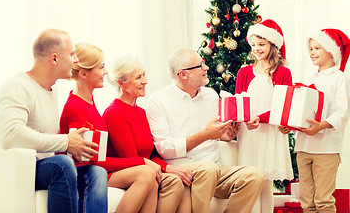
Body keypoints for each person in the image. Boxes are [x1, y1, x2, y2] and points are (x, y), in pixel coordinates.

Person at [0, 29, 108, 213]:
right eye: (71, 54)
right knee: (62, 165)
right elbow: (9, 134)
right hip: (21, 169)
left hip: (45, 166)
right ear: (54, 59)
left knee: (96, 173)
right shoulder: (18, 87)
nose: (76, 60)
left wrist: (73, 146)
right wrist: (65, 142)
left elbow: (48, 141)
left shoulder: (52, 92)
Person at [146, 48, 265, 213]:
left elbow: (217, 133)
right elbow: (164, 148)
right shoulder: (158, 101)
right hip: (186, 170)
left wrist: (227, 134)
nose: (206, 68)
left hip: (216, 171)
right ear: (183, 75)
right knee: (207, 169)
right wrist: (204, 136)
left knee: (255, 175)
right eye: (200, 65)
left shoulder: (211, 96)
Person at [59, 43, 158, 213]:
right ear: (83, 74)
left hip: (95, 168)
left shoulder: (88, 101)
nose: (106, 72)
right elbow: (94, 161)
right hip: (85, 173)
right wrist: (143, 161)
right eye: (101, 67)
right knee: (145, 173)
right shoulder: (76, 107)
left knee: (150, 176)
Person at [103, 55, 195, 213]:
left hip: (144, 169)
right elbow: (131, 158)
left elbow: (151, 153)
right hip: (122, 172)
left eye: (144, 74)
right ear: (121, 84)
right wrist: (163, 168)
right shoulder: (114, 113)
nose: (145, 81)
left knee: (177, 180)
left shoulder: (141, 112)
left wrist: (167, 168)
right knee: (167, 180)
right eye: (139, 77)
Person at [235, 19, 294, 212]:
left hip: (269, 133)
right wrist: (243, 120)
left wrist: (260, 119)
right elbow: (238, 102)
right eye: (253, 45)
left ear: (273, 45)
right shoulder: (244, 72)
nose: (257, 49)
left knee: (266, 187)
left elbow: (282, 105)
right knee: (250, 184)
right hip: (249, 134)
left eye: (261, 44)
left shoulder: (283, 73)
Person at [294, 29, 350, 213]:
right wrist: (291, 125)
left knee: (323, 201)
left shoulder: (340, 78)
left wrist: (321, 126)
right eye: (310, 48)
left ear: (331, 51)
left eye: (317, 47)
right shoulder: (309, 80)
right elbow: (302, 111)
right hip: (304, 147)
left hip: (326, 149)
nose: (312, 52)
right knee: (306, 202)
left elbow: (342, 112)